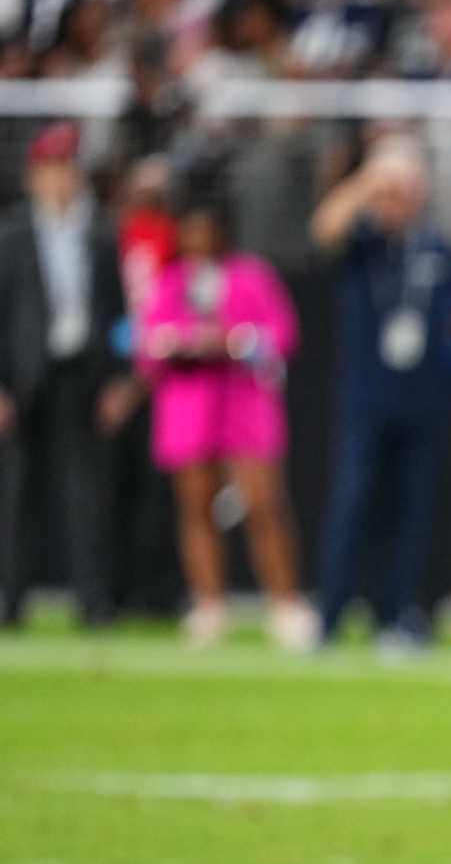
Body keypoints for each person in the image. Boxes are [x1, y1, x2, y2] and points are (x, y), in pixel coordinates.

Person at [310, 136, 451, 651]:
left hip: (423, 401)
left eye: (403, 191)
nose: (395, 201)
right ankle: (330, 616)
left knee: (413, 513)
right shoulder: (363, 244)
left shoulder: (434, 248)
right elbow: (323, 228)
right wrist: (369, 180)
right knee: (354, 502)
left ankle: (397, 616)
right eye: (387, 192)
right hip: (367, 399)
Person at [135, 196, 313, 650]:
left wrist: (234, 340)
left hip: (245, 407)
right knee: (196, 507)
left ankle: (285, 603)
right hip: (189, 408)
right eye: (191, 229)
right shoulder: (171, 281)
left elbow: (282, 336)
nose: (199, 239)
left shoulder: (251, 276)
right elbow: (148, 346)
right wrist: (179, 342)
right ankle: (209, 604)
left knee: (264, 505)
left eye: (207, 228)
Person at [0, 122, 131, 629]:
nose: (59, 179)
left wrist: (120, 380)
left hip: (83, 373)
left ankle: (93, 601)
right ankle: (11, 600)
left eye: (66, 169)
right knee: (18, 495)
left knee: (86, 495)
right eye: (50, 170)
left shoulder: (100, 234)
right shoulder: (12, 236)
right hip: (25, 375)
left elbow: (118, 314)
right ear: (33, 176)